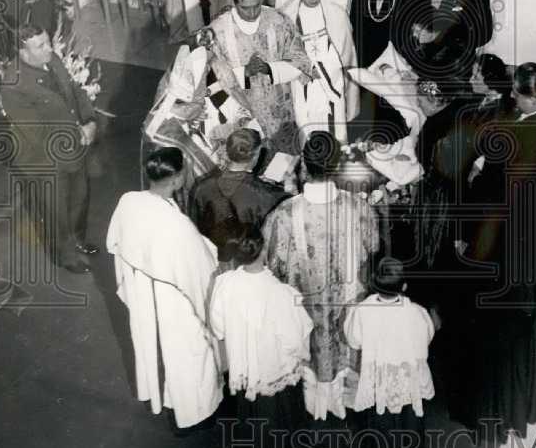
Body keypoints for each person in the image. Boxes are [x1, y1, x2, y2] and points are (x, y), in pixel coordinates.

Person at [460, 63, 536, 440]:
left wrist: (477, 176)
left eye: (517, 93)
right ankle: (518, 409)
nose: (511, 96)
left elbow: (490, 191)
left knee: (494, 331)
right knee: (519, 329)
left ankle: (492, 417)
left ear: (533, 96)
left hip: (503, 243)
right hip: (530, 241)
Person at [262, 132, 380, 421]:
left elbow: (273, 265)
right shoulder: (359, 207)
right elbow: (373, 248)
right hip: (348, 304)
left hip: (307, 307)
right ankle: (346, 397)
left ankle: (314, 400)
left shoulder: (284, 214)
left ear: (304, 165)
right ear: (337, 166)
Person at [106, 147, 223, 429]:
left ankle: (161, 395)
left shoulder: (129, 201)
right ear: (177, 179)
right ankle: (194, 413)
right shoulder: (178, 227)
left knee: (155, 346)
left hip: (144, 293)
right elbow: (201, 270)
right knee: (190, 352)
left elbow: (115, 244)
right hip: (175, 299)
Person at [0, 19, 97, 274]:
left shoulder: (52, 60)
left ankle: (78, 241)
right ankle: (65, 256)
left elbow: (75, 91)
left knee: (80, 196)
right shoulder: (13, 85)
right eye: (41, 46)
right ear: (22, 51)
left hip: (73, 145)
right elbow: (36, 132)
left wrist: (90, 121)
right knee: (56, 210)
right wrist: (78, 134)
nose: (50, 49)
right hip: (44, 159)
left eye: (48, 42)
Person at [209, 226, 312, 448]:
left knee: (251, 416)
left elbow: (218, 328)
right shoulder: (279, 292)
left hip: (244, 366)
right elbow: (293, 339)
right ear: (264, 250)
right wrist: (303, 354)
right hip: (274, 367)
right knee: (279, 415)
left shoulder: (225, 284)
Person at [344, 257, 435, 448]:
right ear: (404, 286)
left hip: (379, 376)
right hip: (408, 376)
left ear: (373, 284)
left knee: (381, 419)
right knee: (410, 417)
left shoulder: (362, 310)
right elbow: (427, 336)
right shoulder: (416, 311)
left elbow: (353, 341)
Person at [208, 0, 314, 155]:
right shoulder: (218, 31)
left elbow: (301, 60)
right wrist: (244, 72)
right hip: (244, 110)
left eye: (256, 6)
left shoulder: (279, 20)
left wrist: (271, 69)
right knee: (252, 158)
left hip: (281, 108)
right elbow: (213, 76)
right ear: (234, 2)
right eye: (245, 8)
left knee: (286, 158)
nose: (252, 13)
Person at [279, 0, 359, 143]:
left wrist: (325, 70)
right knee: (307, 128)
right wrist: (301, 69)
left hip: (333, 80)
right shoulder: (287, 17)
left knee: (335, 131)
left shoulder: (337, 14)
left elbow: (347, 53)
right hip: (302, 83)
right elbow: (282, 54)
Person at [188, 128, 289, 265]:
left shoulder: (200, 186)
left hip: (210, 262)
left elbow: (194, 230)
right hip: (249, 266)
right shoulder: (267, 194)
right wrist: (291, 186)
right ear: (256, 155)